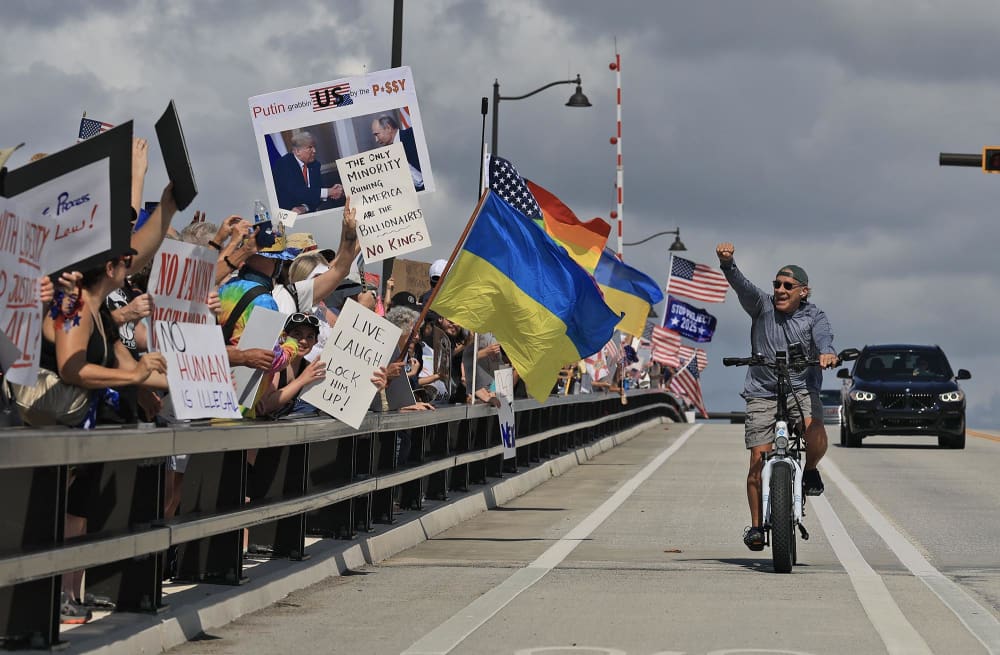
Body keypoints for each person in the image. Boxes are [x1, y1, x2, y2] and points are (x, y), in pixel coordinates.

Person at [716, 243, 839, 552]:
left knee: (815, 430)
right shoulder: (762, 305)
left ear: (803, 292)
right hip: (762, 391)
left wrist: (826, 352)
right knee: (757, 459)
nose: (780, 290)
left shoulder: (814, 316)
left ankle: (809, 469)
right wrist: (728, 264)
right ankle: (757, 527)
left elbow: (824, 337)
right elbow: (742, 287)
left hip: (800, 387)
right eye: (777, 285)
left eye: (788, 286)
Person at [272, 131, 345, 214]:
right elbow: (298, 192)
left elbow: (317, 193)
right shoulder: (284, 164)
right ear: (297, 151)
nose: (314, 151)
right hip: (286, 214)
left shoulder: (315, 165)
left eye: (314, 147)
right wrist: (329, 192)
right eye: (310, 147)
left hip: (308, 213)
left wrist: (335, 189)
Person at [371, 114, 424, 191]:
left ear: (388, 128)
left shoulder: (414, 134)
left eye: (376, 134)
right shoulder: (387, 155)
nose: (376, 140)